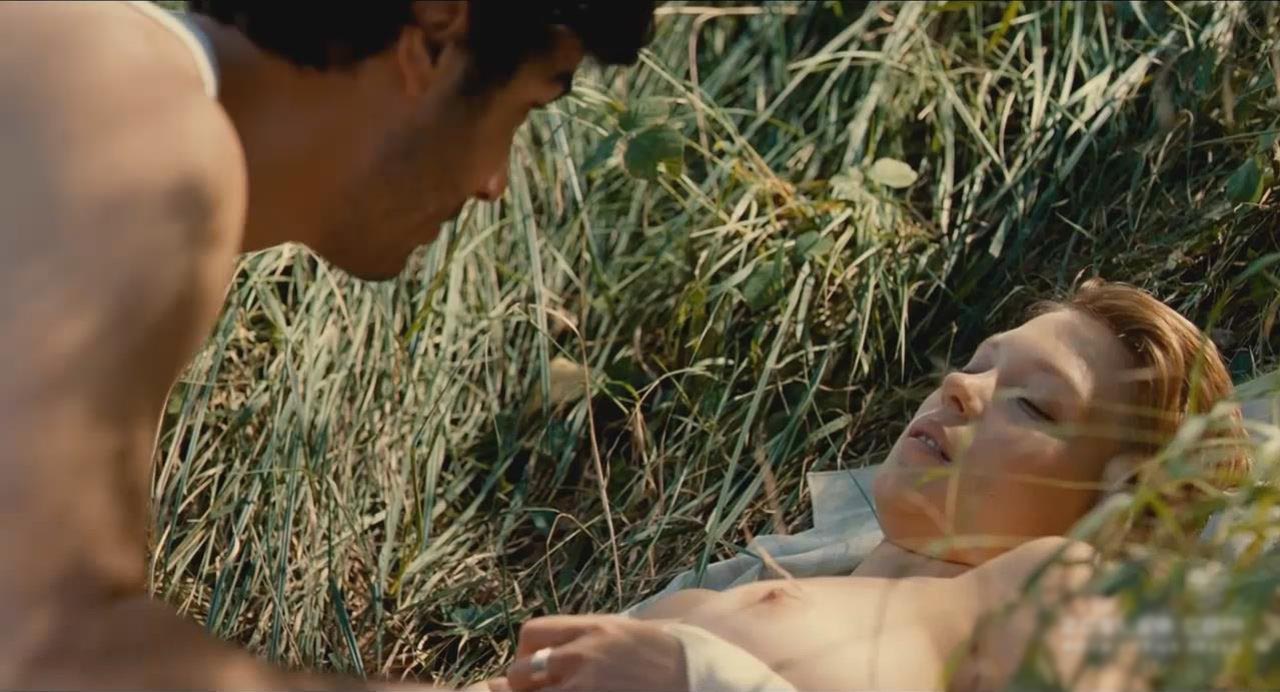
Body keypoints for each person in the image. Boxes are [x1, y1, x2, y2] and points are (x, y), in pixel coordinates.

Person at [0, 1, 653, 689]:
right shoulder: (150, 139)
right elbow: (46, 650)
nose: (494, 183)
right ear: (433, 38)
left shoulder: (86, 77)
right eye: (522, 110)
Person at [493, 279, 1246, 692]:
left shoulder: (1067, 588)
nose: (959, 386)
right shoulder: (780, 573)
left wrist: (699, 678)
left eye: (1034, 404)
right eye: (979, 363)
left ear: (1121, 506)